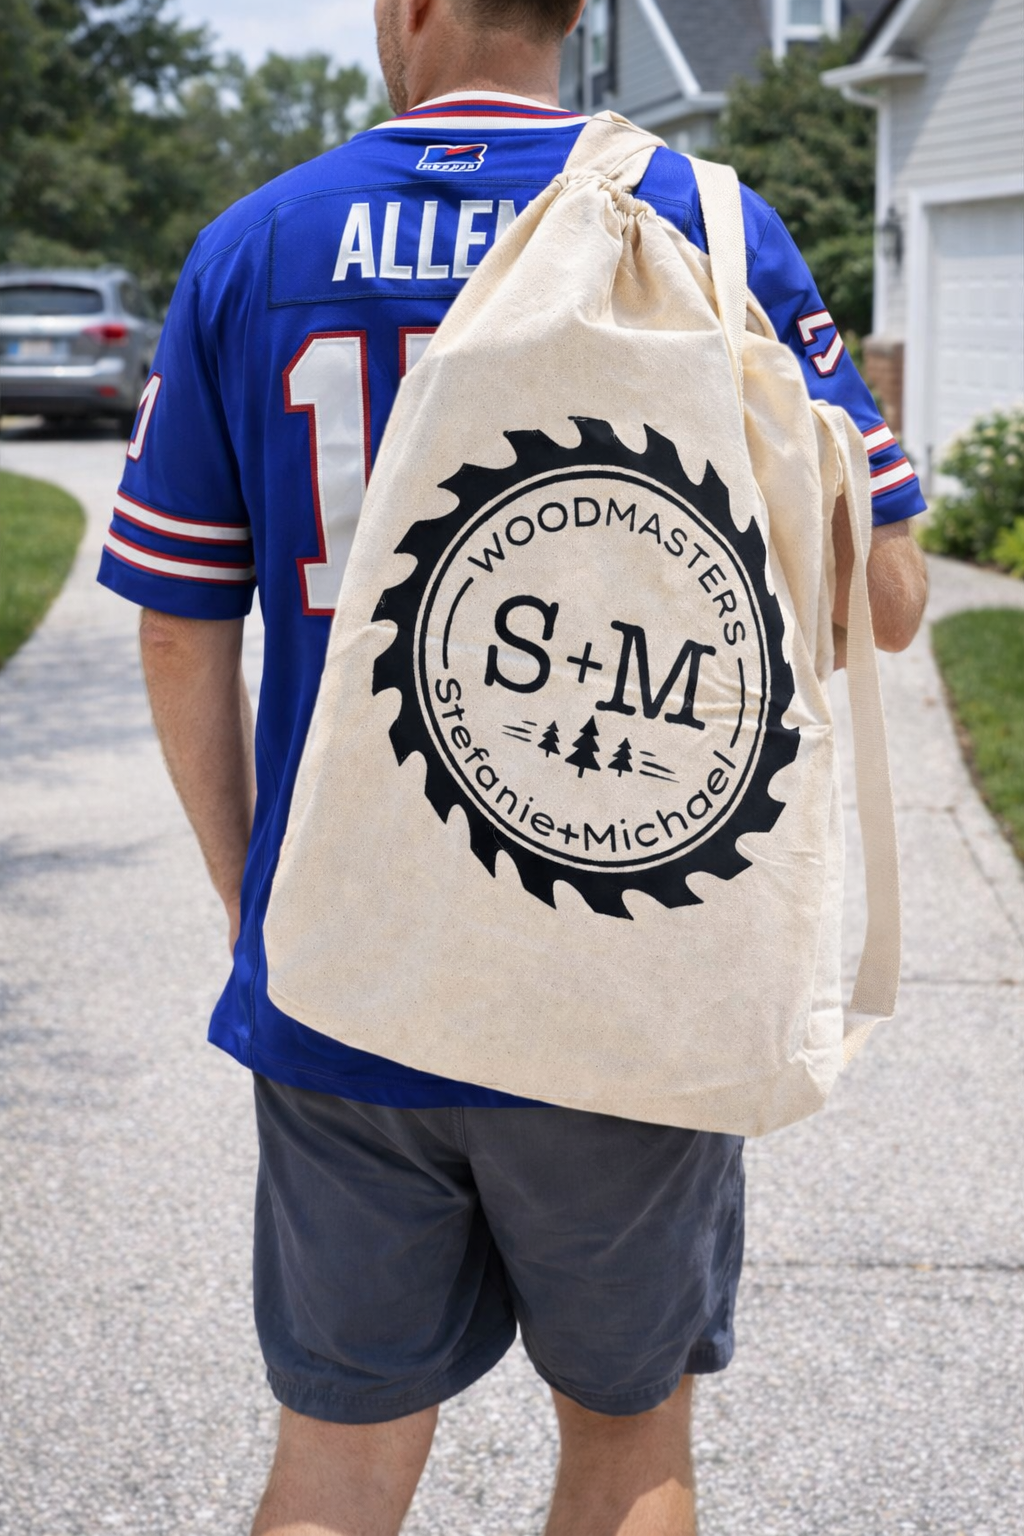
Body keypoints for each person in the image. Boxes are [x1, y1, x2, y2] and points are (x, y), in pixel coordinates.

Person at [97, 1, 928, 1531]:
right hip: (629, 967)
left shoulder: (257, 245)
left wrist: (258, 900)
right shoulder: (707, 228)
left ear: (406, 8)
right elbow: (881, 604)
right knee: (630, 1442)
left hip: (349, 967)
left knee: (338, 1458)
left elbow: (175, 627)